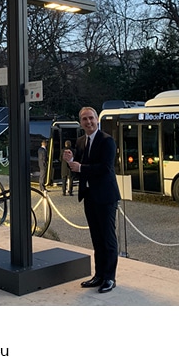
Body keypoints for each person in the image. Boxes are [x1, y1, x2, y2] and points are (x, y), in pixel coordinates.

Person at [64, 106, 120, 293]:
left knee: (108, 239)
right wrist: (70, 159)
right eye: (84, 119)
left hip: (105, 197)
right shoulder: (80, 141)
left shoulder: (107, 141)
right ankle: (99, 275)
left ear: (97, 119)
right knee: (96, 238)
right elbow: (77, 164)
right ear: (81, 123)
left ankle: (110, 278)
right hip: (89, 196)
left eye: (91, 118)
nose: (88, 122)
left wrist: (81, 168)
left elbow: (105, 168)